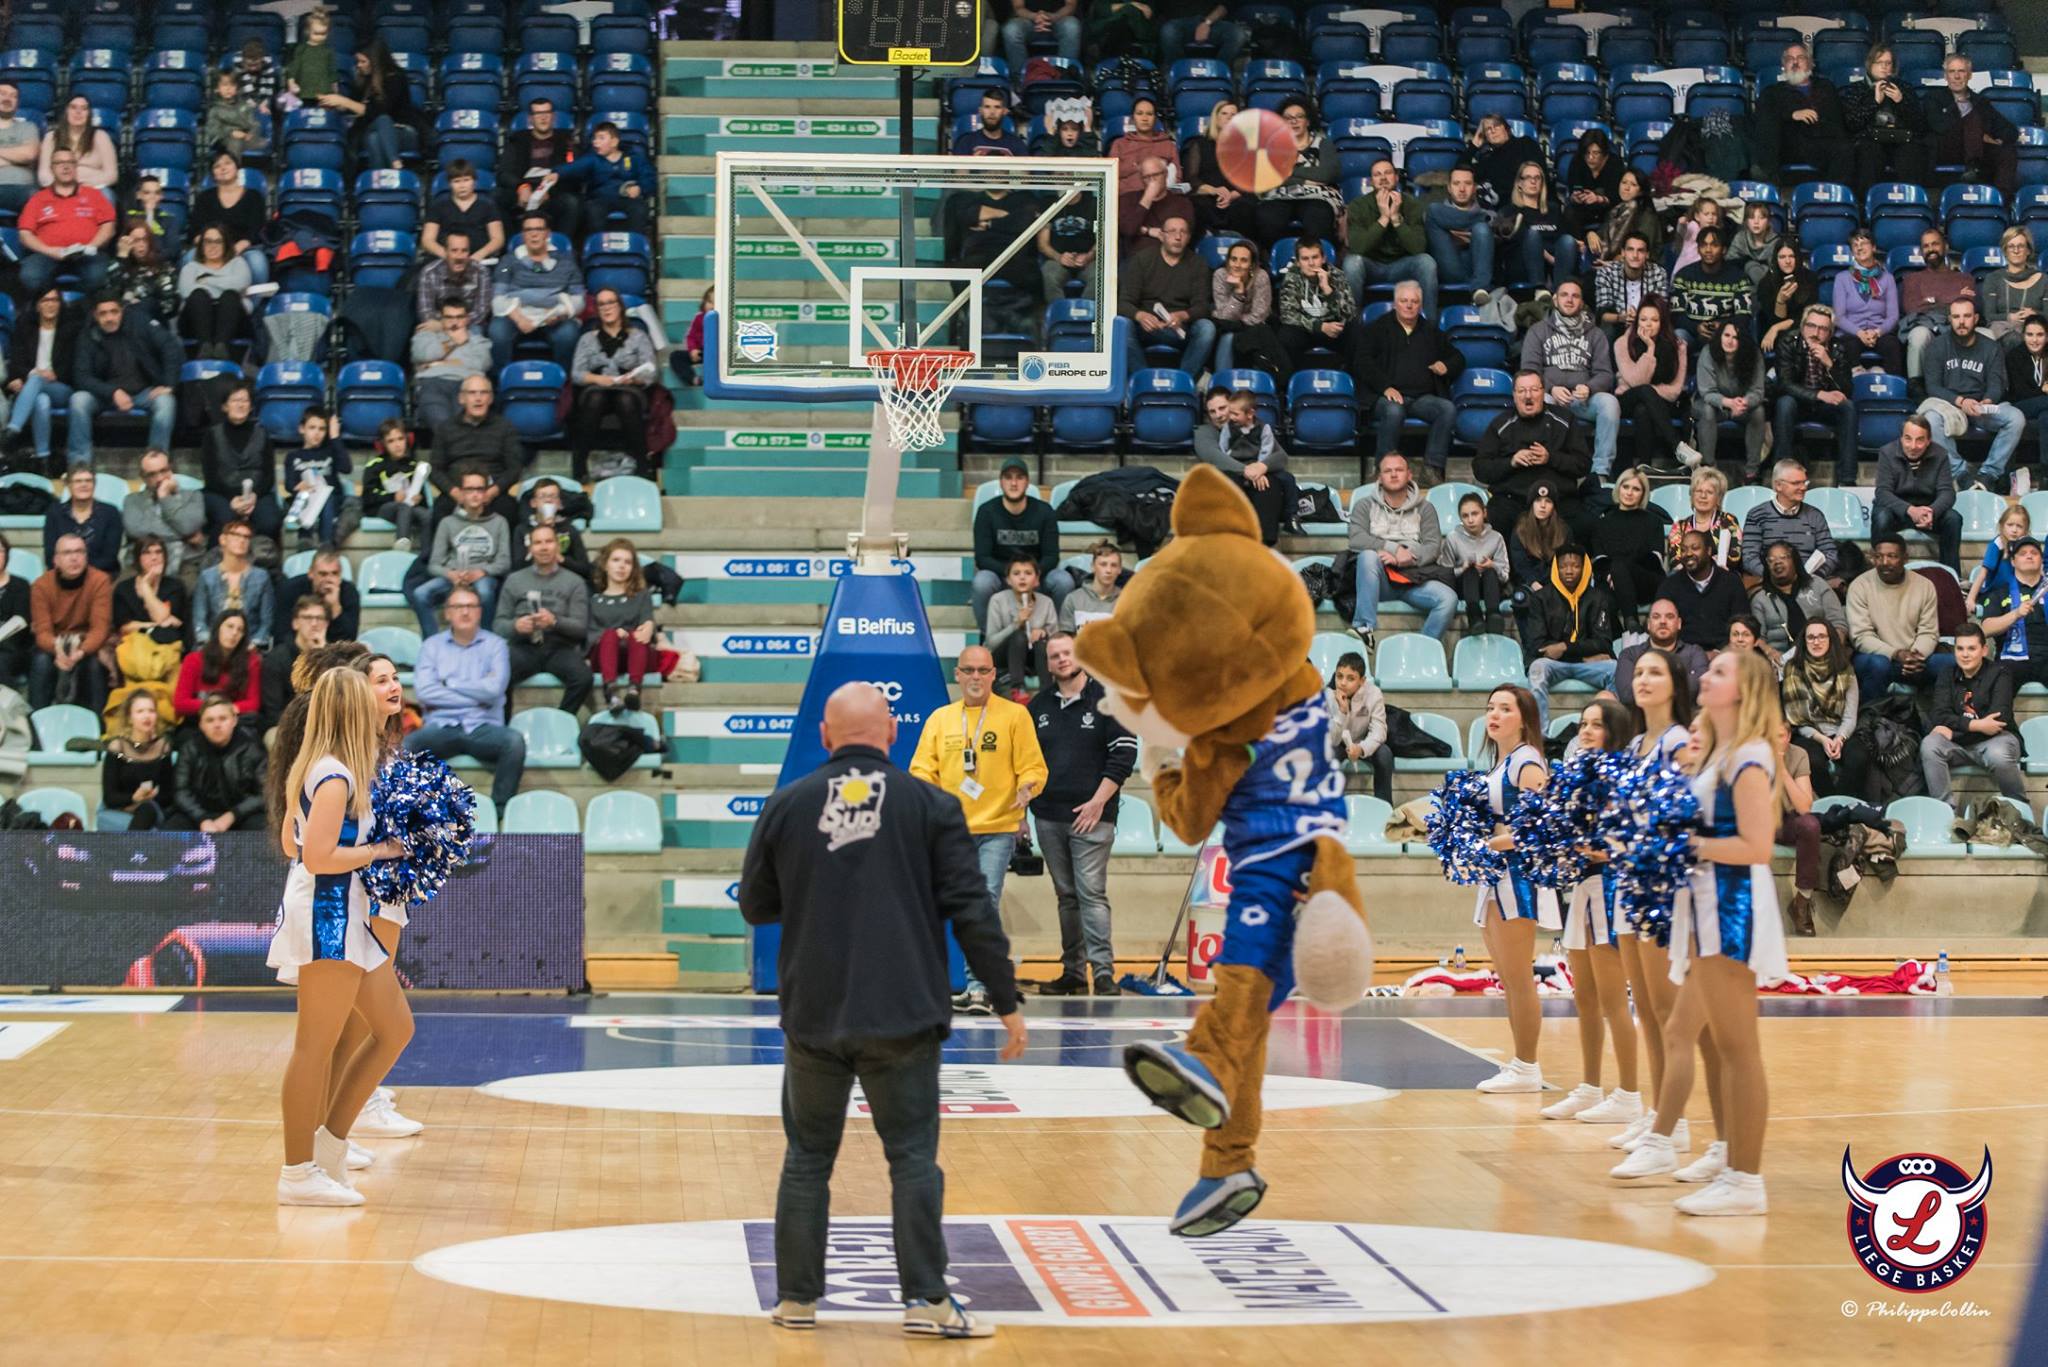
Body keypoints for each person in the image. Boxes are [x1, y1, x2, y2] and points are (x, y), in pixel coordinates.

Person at [740, 681, 1022, 1338]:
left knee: (807, 1156)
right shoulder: (931, 804)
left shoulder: (788, 804)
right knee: (913, 1158)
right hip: (903, 1016)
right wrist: (1006, 998)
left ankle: (796, 1300)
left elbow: (756, 905)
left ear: (826, 735)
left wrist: (817, 891)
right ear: (893, 734)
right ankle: (926, 1300)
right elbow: (972, 908)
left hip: (813, 1015)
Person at [1611, 650, 1784, 1216]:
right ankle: (1728, 1153)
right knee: (1702, 1036)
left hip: (1731, 910)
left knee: (1739, 1049)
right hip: (1703, 907)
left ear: (1744, 689)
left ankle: (1746, 1181)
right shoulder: (1719, 752)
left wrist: (1685, 846)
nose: (1704, 677)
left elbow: (1757, 847)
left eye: (1718, 672)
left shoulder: (1751, 757)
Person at [265, 669, 411, 1207]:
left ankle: (328, 1146)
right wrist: (383, 851)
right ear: (349, 710)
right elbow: (316, 856)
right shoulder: (332, 777)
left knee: (395, 1027)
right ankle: (297, 1173)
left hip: (350, 913)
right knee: (313, 1048)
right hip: (327, 917)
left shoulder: (344, 770)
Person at [910, 644, 1046, 1016]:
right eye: (968, 670)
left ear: (992, 675)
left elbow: (1034, 767)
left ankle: (979, 986)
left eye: (982, 671)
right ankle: (938, 983)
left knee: (984, 901)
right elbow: (921, 769)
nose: (975, 677)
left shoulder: (1015, 716)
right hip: (950, 832)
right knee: (945, 906)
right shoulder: (940, 719)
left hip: (997, 828)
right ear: (957, 675)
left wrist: (1027, 787)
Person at [1609, 648, 1698, 1157]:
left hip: (1663, 888)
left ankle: (1674, 1122)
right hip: (1630, 882)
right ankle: (1655, 1112)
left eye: (1654, 672)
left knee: (1665, 1009)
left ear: (1674, 683)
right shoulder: (1638, 742)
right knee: (1643, 1004)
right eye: (1638, 672)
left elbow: (1684, 817)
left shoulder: (1679, 741)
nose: (1643, 679)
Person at [1543, 697, 1646, 1128]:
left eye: (1595, 725)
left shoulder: (1622, 781)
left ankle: (1629, 1093)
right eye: (1582, 724)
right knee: (1583, 997)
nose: (1585, 731)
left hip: (1608, 890)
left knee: (1611, 999)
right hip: (1582, 890)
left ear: (1614, 732)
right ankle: (1589, 1086)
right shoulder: (1578, 780)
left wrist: (1601, 850)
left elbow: (1633, 838)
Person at [1027, 632, 1136, 996]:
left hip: (1094, 815)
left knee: (1091, 893)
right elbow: (1027, 763)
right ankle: (1072, 972)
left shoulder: (1108, 700)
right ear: (1048, 663)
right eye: (1054, 655)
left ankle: (1103, 973)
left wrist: (1097, 803)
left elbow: (1123, 756)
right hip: (1047, 816)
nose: (1061, 659)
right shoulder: (1037, 706)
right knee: (1066, 896)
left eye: (1068, 653)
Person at [1469, 685, 1560, 1094]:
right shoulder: (1500, 762)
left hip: (1517, 878)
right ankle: (1521, 1063)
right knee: (1508, 976)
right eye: (1490, 707)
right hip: (1496, 875)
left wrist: (1486, 844)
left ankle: (1528, 1066)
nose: (1494, 715)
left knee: (1519, 977)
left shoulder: (1527, 762)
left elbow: (1537, 829)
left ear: (1524, 719)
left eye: (1505, 709)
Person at [405, 585, 526, 807]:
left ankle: (500, 810)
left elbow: (494, 690)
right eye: (458, 606)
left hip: (484, 727)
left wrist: (449, 683)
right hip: (441, 726)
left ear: (480, 611)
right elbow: (425, 692)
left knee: (514, 742)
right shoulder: (432, 646)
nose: (465, 611)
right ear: (447, 613)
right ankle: (417, 811)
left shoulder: (496, 645)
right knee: (407, 746)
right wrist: (478, 696)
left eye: (471, 606)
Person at [1354, 281, 1462, 482]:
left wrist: (1446, 365)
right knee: (1394, 410)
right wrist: (1385, 386)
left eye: (1414, 301)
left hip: (1422, 398)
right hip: (1386, 397)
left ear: (1421, 305)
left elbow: (1458, 357)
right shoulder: (1378, 328)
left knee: (1447, 409)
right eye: (1404, 301)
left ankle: (1432, 468)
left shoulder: (1430, 330)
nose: (1409, 305)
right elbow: (1362, 362)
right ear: (1395, 303)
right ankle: (1383, 469)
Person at [1347, 451, 1456, 647]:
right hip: (1378, 581)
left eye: (1399, 470)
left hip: (1413, 579)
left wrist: (1410, 557)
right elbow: (1356, 539)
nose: (1394, 474)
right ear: (1380, 477)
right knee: (1367, 556)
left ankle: (1423, 650)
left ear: (1409, 475)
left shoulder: (1425, 508)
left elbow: (1433, 547)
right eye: (1388, 471)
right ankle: (1364, 627)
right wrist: (1394, 549)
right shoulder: (1364, 506)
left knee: (1448, 599)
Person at [1923, 296, 2026, 494]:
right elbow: (1933, 387)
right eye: (1956, 316)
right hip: (1951, 407)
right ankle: (1961, 474)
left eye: (1967, 316)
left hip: (1981, 406)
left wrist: (1986, 401)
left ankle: (1988, 474)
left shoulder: (1991, 347)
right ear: (1950, 319)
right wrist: (1961, 401)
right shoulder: (1937, 346)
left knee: (2016, 418)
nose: (1961, 321)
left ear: (1976, 318)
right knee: (1930, 420)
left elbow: (1997, 383)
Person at [1474, 370, 1594, 538]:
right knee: (1498, 516)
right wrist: (1511, 462)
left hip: (1559, 499)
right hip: (1513, 500)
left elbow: (1583, 464)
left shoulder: (1565, 420)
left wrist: (1550, 458)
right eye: (1522, 391)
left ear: (1543, 392)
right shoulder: (1500, 424)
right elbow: (1480, 468)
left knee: (1585, 523)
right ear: (1514, 395)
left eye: (1534, 390)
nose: (1528, 396)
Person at [1520, 281, 1620, 478]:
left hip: (1582, 399)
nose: (1569, 300)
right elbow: (1528, 370)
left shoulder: (1596, 334)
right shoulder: (1538, 331)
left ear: (1582, 302)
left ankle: (1600, 472)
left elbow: (1605, 374)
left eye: (1575, 296)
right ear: (1555, 300)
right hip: (1551, 397)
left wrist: (1589, 388)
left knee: (1610, 403)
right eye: (1564, 295)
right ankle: (1543, 467)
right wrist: (1550, 388)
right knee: (1538, 400)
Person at [1922, 622, 2023, 810]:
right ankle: (1944, 812)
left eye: (1971, 648)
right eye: (1960, 648)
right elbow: (1938, 715)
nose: (1965, 654)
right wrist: (1976, 726)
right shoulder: (1946, 674)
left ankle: (2019, 809)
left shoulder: (2000, 673)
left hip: (1996, 740)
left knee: (1998, 754)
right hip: (1960, 745)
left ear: (1984, 650)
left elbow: (1999, 720)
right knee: (1930, 744)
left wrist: (1956, 730)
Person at [72, 293, 181, 462]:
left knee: (166, 401)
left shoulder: (140, 323)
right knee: (79, 400)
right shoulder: (87, 335)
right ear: (95, 315)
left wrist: (169, 384)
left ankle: (156, 462)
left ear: (121, 311)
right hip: (104, 396)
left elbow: (171, 346)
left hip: (143, 392)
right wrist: (113, 392)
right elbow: (81, 376)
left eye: (114, 312)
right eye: (103, 313)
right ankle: (80, 463)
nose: (109, 318)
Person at [496, 522, 593, 712]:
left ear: (557, 546)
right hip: (522, 647)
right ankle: (503, 728)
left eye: (548, 541)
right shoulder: (514, 580)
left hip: (559, 648)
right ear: (530, 548)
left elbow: (581, 628)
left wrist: (555, 622)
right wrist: (516, 626)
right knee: (498, 673)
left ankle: (562, 720)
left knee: (583, 678)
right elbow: (498, 625)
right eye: (538, 542)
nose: (543, 547)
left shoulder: (575, 582)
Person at [969, 459, 1073, 633]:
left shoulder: (1044, 511)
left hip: (1036, 577)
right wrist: (1013, 574)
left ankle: (1056, 637)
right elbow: (982, 558)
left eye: (1019, 478)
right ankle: (990, 639)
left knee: (1063, 580)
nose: (1014, 483)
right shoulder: (987, 512)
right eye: (1008, 478)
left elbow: (1052, 556)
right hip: (1002, 577)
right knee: (982, 582)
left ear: (1027, 482)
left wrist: (1031, 574)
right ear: (1001, 482)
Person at [1523, 545, 1619, 727]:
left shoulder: (1598, 598)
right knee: (1537, 669)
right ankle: (1541, 736)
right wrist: (1583, 654)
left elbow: (1604, 643)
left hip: (1586, 665)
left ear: (1584, 568)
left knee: (1615, 669)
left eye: (1575, 566)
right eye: (1563, 566)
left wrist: (1565, 648)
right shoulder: (1540, 598)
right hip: (1556, 664)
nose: (1569, 571)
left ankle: (1610, 731)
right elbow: (1538, 644)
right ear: (1555, 568)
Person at [569, 288, 656, 481]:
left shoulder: (639, 336)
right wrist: (598, 379)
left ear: (620, 307)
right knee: (595, 399)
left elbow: (650, 372)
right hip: (596, 388)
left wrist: (634, 378)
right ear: (597, 310)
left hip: (630, 389)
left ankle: (643, 465)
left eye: (611, 302)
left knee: (625, 400)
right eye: (601, 304)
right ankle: (579, 465)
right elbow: (576, 373)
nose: (606, 308)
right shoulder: (587, 339)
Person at [415, 465, 511, 637]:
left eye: (479, 489)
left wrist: (481, 572)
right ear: (461, 493)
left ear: (486, 493)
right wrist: (451, 574)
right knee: (420, 593)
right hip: (453, 576)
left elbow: (504, 562)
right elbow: (434, 564)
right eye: (469, 489)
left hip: (483, 576)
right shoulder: (447, 523)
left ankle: (486, 638)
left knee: (485, 592)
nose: (474, 494)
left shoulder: (499, 522)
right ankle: (432, 642)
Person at [1847, 533, 1945, 698]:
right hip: (1877, 657)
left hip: (1915, 660)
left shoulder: (1924, 586)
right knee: (1878, 664)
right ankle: (1872, 718)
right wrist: (1896, 654)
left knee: (1953, 663)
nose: (1885, 563)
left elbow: (1929, 631)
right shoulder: (1859, 586)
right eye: (1879, 557)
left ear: (1905, 558)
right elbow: (1861, 637)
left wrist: (1915, 655)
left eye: (1892, 556)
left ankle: (1944, 720)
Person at [586, 538, 677, 712]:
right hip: (606, 656)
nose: (622, 566)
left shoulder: (641, 596)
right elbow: (591, 636)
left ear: (633, 568)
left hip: (637, 655)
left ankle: (634, 690)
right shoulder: (595, 601)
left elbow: (646, 624)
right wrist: (614, 634)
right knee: (609, 635)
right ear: (605, 565)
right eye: (616, 560)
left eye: (627, 562)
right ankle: (611, 692)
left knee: (637, 636)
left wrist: (646, 627)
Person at [1781, 620, 1868, 800]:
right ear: (1804, 641)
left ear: (1830, 640)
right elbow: (1796, 719)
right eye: (1811, 637)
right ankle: (1829, 806)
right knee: (1813, 761)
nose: (1816, 642)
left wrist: (1840, 738)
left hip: (1841, 730)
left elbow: (1850, 716)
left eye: (1821, 636)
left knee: (1859, 757)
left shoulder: (1845, 670)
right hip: (1809, 732)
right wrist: (1822, 739)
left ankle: (1846, 808)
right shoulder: (1793, 670)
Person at [1117, 216, 1213, 378]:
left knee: (1206, 328)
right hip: (1146, 327)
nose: (1178, 237)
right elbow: (1123, 302)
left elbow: (1202, 306)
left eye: (1183, 232)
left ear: (1189, 238)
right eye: (1172, 232)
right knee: (1121, 324)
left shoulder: (1198, 264)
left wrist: (1183, 315)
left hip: (1179, 329)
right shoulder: (1142, 260)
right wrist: (1140, 315)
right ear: (1161, 235)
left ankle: (1183, 382)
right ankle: (1142, 380)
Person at [491, 213, 588, 372]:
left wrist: (559, 313)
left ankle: (563, 382)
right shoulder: (509, 261)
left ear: (547, 233)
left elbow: (579, 299)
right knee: (497, 332)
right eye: (528, 230)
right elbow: (497, 298)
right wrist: (519, 318)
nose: (534, 234)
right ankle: (501, 381)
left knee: (568, 334)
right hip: (516, 315)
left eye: (538, 229)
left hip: (554, 316)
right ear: (523, 235)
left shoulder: (566, 261)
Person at [1342, 158, 1437, 319]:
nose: (1383, 178)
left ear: (1396, 177)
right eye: (1377, 175)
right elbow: (1357, 248)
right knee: (1352, 263)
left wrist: (1396, 218)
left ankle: (1430, 328)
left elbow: (1418, 248)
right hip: (1371, 265)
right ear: (1372, 181)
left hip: (1403, 265)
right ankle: (1352, 327)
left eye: (1388, 173)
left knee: (1427, 262)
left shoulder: (1412, 204)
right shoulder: (1358, 205)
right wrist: (1384, 218)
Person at [28, 532, 111, 711]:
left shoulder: (100, 581)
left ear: (86, 557)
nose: (74, 558)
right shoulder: (41, 585)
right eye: (67, 553)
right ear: (56, 560)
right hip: (54, 644)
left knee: (94, 666)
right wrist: (58, 651)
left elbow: (99, 629)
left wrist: (80, 652)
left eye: (79, 552)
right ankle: (37, 724)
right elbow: (42, 632)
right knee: (40, 662)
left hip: (86, 644)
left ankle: (98, 726)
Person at [108, 534, 190, 713]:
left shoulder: (175, 586)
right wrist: (153, 626)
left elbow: (161, 617)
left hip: (167, 653)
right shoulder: (124, 589)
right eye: (147, 553)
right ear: (138, 558)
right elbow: (125, 627)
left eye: (159, 552)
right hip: (135, 655)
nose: (154, 557)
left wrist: (146, 590)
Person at [17, 148, 116, 297]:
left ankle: (78, 310)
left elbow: (108, 227)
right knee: (30, 275)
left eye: (70, 162)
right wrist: (49, 250)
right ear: (52, 168)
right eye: (59, 163)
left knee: (100, 276)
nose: (65, 166)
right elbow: (25, 234)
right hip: (48, 254)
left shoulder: (94, 194)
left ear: (76, 167)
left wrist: (91, 247)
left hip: (87, 253)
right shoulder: (38, 198)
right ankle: (52, 307)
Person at [2, 287, 80, 470]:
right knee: (41, 401)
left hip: (61, 387)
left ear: (60, 304)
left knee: (37, 382)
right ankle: (43, 459)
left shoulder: (70, 330)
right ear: (38, 305)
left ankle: (13, 428)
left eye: (55, 300)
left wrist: (55, 375)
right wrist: (25, 376)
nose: (50, 304)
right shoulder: (25, 327)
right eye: (46, 300)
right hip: (33, 388)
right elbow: (16, 362)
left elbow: (75, 365)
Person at [1614, 297, 1694, 472]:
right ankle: (1677, 447)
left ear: (1662, 322)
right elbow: (1637, 383)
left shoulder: (1678, 347)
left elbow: (1674, 391)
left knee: (1643, 409)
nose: (1648, 324)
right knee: (1644, 392)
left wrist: (1651, 393)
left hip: (1660, 403)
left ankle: (1645, 466)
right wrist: (1650, 348)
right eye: (1643, 319)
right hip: (1627, 399)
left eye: (1654, 320)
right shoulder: (1621, 344)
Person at [1872, 416, 1961, 571]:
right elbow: (1882, 492)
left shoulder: (1940, 454)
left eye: (1920, 440)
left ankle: (1951, 576)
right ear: (1901, 438)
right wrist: (1910, 510)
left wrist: (1933, 511)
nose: (1913, 446)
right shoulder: (1887, 452)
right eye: (1908, 439)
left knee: (1953, 519)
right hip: (1897, 511)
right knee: (1881, 516)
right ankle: (1880, 570)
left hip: (1928, 512)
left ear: (1928, 441)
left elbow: (1947, 492)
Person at [170, 692, 268, 834]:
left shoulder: (252, 748)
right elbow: (180, 792)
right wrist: (202, 818)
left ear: (234, 720)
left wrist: (232, 816)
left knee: (262, 827)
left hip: (241, 815)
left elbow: (264, 794)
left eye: (223, 719)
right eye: (210, 720)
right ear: (201, 725)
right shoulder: (189, 749)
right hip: (197, 814)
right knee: (173, 827)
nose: (217, 725)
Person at [1924, 53, 2018, 197]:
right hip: (1947, 149)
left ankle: (2000, 200)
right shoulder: (1933, 98)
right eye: (1952, 72)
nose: (1957, 76)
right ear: (1945, 76)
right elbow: (1938, 126)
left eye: (1961, 71)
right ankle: (1973, 167)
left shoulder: (1980, 102)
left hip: (1979, 150)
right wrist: (1979, 134)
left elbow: (2010, 130)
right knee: (1972, 119)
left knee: (2007, 151)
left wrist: (1997, 140)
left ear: (1969, 75)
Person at [1753, 43, 1848, 186]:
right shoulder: (1773, 92)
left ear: (1810, 63)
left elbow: (1836, 119)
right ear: (1784, 65)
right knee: (1769, 126)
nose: (1795, 62)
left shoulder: (1826, 87)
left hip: (1822, 142)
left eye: (1800, 58)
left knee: (1845, 147)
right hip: (1790, 145)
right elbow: (1763, 115)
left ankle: (1836, 197)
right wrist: (1792, 114)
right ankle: (1768, 183)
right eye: (1790, 59)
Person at [1252, 98, 1342, 248]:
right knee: (1267, 216)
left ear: (1308, 121)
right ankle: (1272, 262)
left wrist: (1288, 172)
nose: (1294, 121)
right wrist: (1305, 180)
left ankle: (1320, 264)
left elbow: (1327, 175)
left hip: (1316, 196)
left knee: (1319, 215)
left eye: (1299, 116)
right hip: (1279, 196)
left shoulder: (1323, 144)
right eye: (1288, 118)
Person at [325, 39, 424, 176]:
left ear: (376, 62)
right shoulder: (363, 80)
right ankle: (395, 167)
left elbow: (378, 110)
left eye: (363, 61)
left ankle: (381, 180)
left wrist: (345, 101)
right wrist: (337, 104)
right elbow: (353, 107)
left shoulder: (396, 78)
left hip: (402, 132)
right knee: (375, 134)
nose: (359, 66)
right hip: (372, 129)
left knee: (379, 125)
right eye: (357, 62)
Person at [201, 383, 285, 543]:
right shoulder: (212, 435)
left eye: (245, 401)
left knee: (270, 521)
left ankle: (264, 561)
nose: (240, 404)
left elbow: (268, 474)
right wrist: (232, 499)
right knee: (226, 519)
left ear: (251, 406)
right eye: (235, 400)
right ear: (225, 406)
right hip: (221, 493)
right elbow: (210, 475)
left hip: (257, 493)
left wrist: (254, 496)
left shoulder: (262, 433)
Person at [1843, 44, 1931, 195]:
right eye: (1879, 62)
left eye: (1888, 63)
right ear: (1870, 65)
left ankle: (1910, 204)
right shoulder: (1856, 89)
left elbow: (1919, 125)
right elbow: (1852, 124)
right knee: (1868, 152)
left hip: (1901, 139)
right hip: (1870, 140)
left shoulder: (1904, 88)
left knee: (1913, 152)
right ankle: (1868, 205)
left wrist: (1901, 101)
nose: (1884, 67)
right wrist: (1874, 102)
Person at [1590, 466, 1669, 627]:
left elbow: (1654, 560)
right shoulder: (1602, 523)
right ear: (1619, 488)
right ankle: (1623, 635)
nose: (1629, 492)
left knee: (1619, 567)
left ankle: (1631, 626)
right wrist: (1615, 575)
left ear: (1643, 494)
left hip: (1646, 580)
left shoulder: (1654, 521)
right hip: (1611, 580)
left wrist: (1621, 571)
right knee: (1601, 602)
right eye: (1626, 487)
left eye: (1636, 489)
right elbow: (1599, 560)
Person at [1899, 227, 1980, 382]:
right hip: (1926, 327)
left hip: (1957, 325)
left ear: (1946, 247)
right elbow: (1912, 308)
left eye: (1935, 244)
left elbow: (1967, 306)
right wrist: (1954, 296)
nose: (1931, 249)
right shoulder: (1912, 279)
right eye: (1926, 246)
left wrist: (1931, 300)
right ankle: (1916, 386)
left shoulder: (1964, 278)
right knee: (1918, 335)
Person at [1751, 540, 1850, 665]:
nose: (1777, 562)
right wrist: (1770, 652)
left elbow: (1838, 624)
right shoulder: (1760, 599)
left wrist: (1832, 651)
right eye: (1771, 560)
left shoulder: (1818, 585)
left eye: (1783, 557)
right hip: (1781, 663)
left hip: (1824, 657)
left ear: (1794, 560)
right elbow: (1757, 638)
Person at [430, 377, 526, 503]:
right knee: (441, 509)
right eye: (472, 393)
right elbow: (435, 470)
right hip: (457, 493)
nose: (478, 398)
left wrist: (492, 492)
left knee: (507, 507)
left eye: (484, 393)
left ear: (491, 399)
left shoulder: (505, 427)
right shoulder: (445, 428)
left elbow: (514, 469)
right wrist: (454, 493)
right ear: (461, 399)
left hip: (492, 493)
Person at [1272, 236, 1357, 377]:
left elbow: (1349, 313)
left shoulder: (1337, 276)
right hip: (1306, 330)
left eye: (1315, 257)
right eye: (1305, 259)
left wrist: (1328, 290)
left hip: (1334, 329)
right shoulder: (1292, 277)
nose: (1311, 263)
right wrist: (1320, 327)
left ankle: (1352, 381)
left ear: (1323, 258)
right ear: (1298, 262)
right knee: (1286, 335)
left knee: (1355, 331)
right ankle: (1291, 382)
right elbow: (1288, 316)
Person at [1317, 649, 1392, 807]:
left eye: (1350, 678)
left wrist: (1361, 748)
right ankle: (1330, 807)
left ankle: (1385, 808)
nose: (1343, 683)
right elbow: (1332, 738)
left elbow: (1379, 731)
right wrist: (1342, 712)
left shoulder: (1374, 694)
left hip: (1364, 742)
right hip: (1339, 743)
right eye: (1339, 676)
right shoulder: (1328, 695)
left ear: (1362, 680)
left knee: (1385, 754)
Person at [1692, 320, 1768, 478]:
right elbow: (1707, 392)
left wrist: (1745, 402)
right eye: (1726, 335)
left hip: (1742, 406)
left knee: (1759, 412)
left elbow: (1758, 390)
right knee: (1707, 411)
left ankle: (1752, 470)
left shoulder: (1754, 355)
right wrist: (1728, 403)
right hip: (1713, 404)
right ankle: (1709, 467)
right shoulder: (1709, 352)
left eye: (1735, 337)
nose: (1730, 340)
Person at [1741, 460, 1838, 580]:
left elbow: (1830, 554)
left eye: (1804, 482)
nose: (1803, 488)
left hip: (1810, 581)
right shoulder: (1757, 515)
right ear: (1778, 486)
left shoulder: (1815, 515)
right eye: (1796, 483)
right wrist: (1775, 578)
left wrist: (1813, 578)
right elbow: (1749, 557)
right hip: (1769, 582)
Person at [559, 119, 655, 240]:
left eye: (601, 138)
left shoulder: (633, 158)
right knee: (592, 211)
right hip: (600, 200)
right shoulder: (592, 159)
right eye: (594, 138)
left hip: (627, 199)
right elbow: (573, 167)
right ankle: (598, 247)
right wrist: (556, 173)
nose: (595, 142)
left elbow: (649, 178)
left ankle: (635, 246)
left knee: (640, 209)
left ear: (614, 142)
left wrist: (640, 188)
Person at [497, 96, 581, 232]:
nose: (543, 118)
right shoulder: (517, 140)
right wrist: (521, 187)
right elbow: (503, 173)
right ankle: (511, 244)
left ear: (553, 116)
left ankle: (561, 247)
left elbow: (574, 175)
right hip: (523, 190)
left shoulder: (566, 141)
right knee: (496, 197)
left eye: (547, 113)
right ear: (531, 118)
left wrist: (549, 192)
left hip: (553, 192)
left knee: (572, 202)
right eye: (538, 114)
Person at [1658, 528, 1749, 651]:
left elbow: (1743, 623)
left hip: (1726, 654)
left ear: (1708, 551)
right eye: (1683, 550)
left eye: (1695, 548)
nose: (1688, 553)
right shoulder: (1670, 585)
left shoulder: (1731, 582)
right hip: (1683, 656)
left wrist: (1723, 653)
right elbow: (1663, 628)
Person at [413, 298, 496, 430]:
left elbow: (482, 364)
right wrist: (454, 342)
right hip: (433, 383)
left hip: (467, 385)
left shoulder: (478, 341)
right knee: (441, 423)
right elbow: (421, 355)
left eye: (459, 317)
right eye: (449, 317)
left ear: (467, 319)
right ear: (441, 319)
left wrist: (437, 363)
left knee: (466, 423)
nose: (455, 322)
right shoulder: (426, 336)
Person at [1209, 239, 1284, 381]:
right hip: (1226, 329)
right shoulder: (1220, 275)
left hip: (1255, 330)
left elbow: (1259, 316)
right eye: (1233, 259)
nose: (1237, 265)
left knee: (1250, 336)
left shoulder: (1261, 276)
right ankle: (1222, 383)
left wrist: (1236, 321)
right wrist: (1238, 292)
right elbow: (1224, 318)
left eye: (1244, 260)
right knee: (1228, 337)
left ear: (1251, 265)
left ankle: (1257, 384)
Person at [1979, 537, 2048, 691]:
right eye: (2023, 553)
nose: (2029, 556)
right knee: (1998, 681)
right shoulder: (1999, 593)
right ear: (2013, 561)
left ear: (2041, 560)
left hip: (2046, 657)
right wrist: (2015, 614)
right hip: (2011, 660)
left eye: (2034, 553)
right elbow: (1985, 629)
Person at [99, 692, 175, 831]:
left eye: (151, 711)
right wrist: (134, 798)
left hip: (152, 807)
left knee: (147, 809)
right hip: (122, 807)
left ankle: (130, 849)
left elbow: (169, 794)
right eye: (140, 711)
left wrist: (151, 797)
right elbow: (109, 796)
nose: (147, 716)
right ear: (130, 718)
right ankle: (134, 849)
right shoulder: (117, 747)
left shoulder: (163, 747)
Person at [1831, 230, 1904, 374]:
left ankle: (1890, 388)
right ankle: (1854, 387)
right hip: (1851, 333)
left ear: (1874, 247)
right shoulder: (1842, 278)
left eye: (1864, 243)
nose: (1859, 248)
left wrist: (1877, 332)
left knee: (1893, 346)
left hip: (1879, 333)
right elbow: (1838, 317)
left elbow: (1893, 317)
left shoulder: (1887, 278)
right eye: (1855, 245)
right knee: (1848, 346)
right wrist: (1860, 333)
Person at [192, 519, 274, 648]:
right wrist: (211, 645)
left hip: (249, 645)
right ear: (223, 540)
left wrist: (254, 644)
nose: (242, 540)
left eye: (246, 537)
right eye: (236, 535)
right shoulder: (207, 577)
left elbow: (266, 622)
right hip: (212, 646)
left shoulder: (261, 577)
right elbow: (199, 621)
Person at [1613, 599, 1709, 708]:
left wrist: (1647, 688)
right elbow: (1627, 695)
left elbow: (1698, 687)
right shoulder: (1630, 654)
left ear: (1679, 623)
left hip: (1685, 721)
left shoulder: (1694, 653)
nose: (1663, 621)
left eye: (1669, 616)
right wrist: (1678, 684)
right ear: (1648, 624)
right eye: (1656, 616)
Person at [173, 606, 262, 723]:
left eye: (240, 630)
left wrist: (225, 711)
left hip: (235, 722)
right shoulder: (193, 659)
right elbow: (180, 703)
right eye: (230, 626)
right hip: (199, 721)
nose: (234, 633)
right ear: (218, 628)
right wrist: (217, 709)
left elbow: (253, 703)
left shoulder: (252, 662)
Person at [188, 152, 268, 280]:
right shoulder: (204, 198)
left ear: (237, 168)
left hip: (244, 248)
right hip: (210, 247)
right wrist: (212, 247)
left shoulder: (254, 197)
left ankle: (253, 300)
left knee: (257, 261)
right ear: (213, 174)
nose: (223, 168)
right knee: (189, 257)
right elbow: (195, 231)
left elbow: (256, 230)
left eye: (227, 163)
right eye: (217, 166)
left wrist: (236, 248)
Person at [1439, 490, 1510, 633]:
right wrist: (1462, 569)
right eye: (1465, 516)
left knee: (1489, 572)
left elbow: (1505, 575)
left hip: (1491, 587)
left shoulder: (1496, 537)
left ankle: (1493, 616)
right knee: (1470, 571)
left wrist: (1492, 565)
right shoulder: (1453, 538)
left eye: (1475, 514)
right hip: (1464, 586)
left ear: (1484, 513)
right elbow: (1444, 574)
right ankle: (1474, 617)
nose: (1470, 520)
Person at [177, 225, 252, 358]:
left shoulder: (238, 263)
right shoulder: (190, 267)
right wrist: (224, 283)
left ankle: (220, 347)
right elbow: (186, 291)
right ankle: (204, 346)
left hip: (232, 320)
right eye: (208, 241)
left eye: (218, 241)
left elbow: (241, 284)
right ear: (201, 245)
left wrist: (206, 280)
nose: (213, 246)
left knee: (230, 296)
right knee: (198, 295)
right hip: (195, 321)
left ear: (226, 244)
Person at [1498, 160, 1575, 290]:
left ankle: (1561, 293)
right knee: (1533, 235)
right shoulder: (1510, 211)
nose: (1533, 181)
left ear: (1542, 183)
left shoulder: (1553, 209)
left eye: (1537, 178)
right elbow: (1517, 243)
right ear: (1519, 184)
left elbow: (1562, 238)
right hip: (1524, 265)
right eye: (1528, 177)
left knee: (1568, 241)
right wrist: (1552, 259)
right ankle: (1539, 289)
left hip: (1554, 266)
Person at [281, 407, 351, 548]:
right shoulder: (293, 456)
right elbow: (289, 485)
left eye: (322, 429)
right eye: (312, 427)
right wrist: (298, 487)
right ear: (302, 429)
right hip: (305, 499)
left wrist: (335, 437)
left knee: (326, 496)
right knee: (305, 496)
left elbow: (346, 468)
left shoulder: (330, 452)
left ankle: (325, 543)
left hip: (331, 501)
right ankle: (306, 541)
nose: (317, 433)